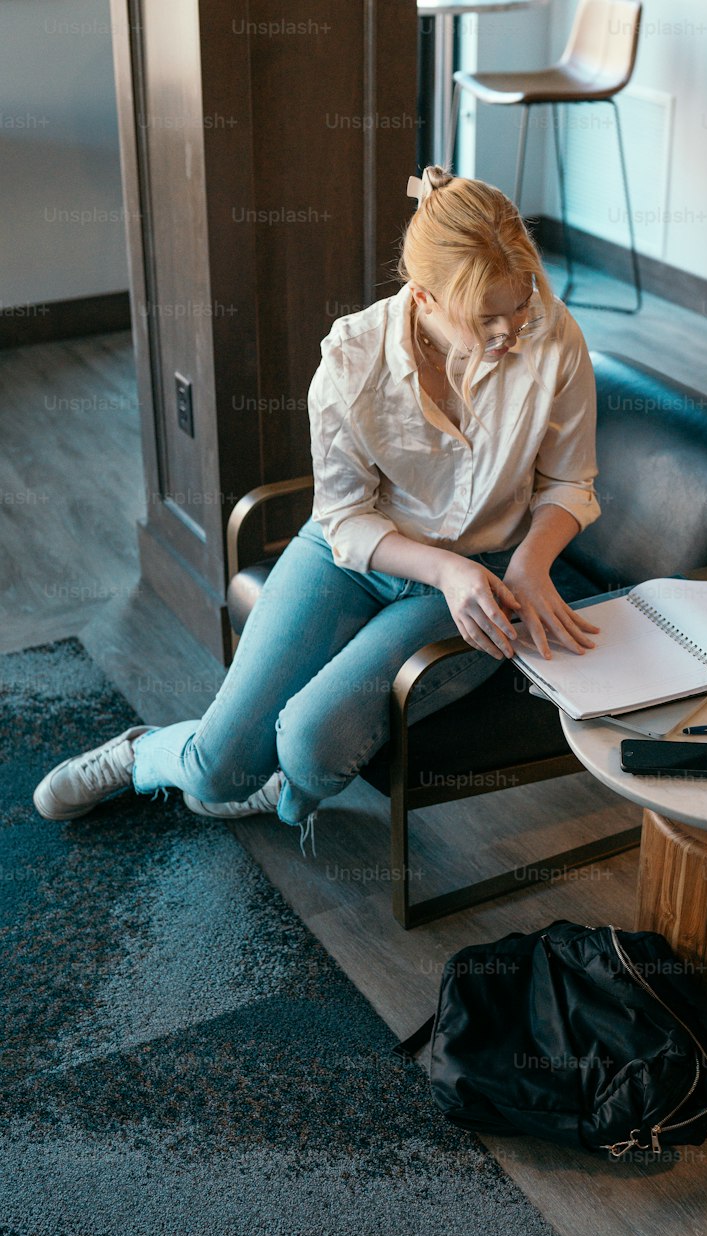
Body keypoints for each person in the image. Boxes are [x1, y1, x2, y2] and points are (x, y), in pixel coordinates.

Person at [33, 166, 602, 852]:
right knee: (217, 772)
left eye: (522, 305)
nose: (513, 330)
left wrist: (531, 564)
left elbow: (569, 483)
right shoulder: (352, 358)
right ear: (423, 297)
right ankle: (144, 754)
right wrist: (439, 570)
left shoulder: (553, 336)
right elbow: (346, 518)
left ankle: (283, 790)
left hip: (475, 576)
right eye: (488, 317)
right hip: (357, 557)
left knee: (307, 745)